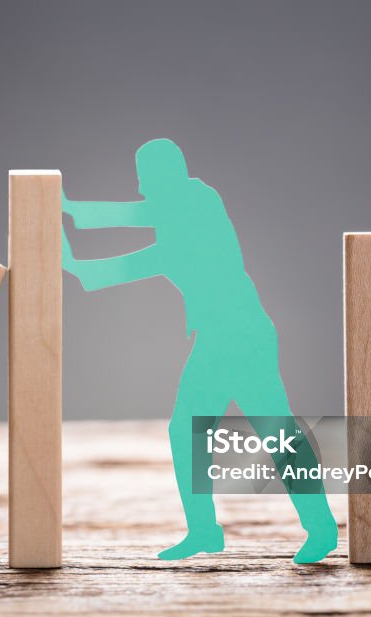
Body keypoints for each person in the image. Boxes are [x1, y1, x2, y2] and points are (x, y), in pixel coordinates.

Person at [61, 138, 338, 562]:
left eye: (146, 178)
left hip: (242, 339)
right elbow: (115, 263)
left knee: (278, 435)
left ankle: (320, 529)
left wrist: (70, 211)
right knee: (189, 431)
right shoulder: (174, 233)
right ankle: (205, 530)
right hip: (215, 342)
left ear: (167, 175)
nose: (140, 188)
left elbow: (141, 225)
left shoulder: (197, 200)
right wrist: (67, 249)